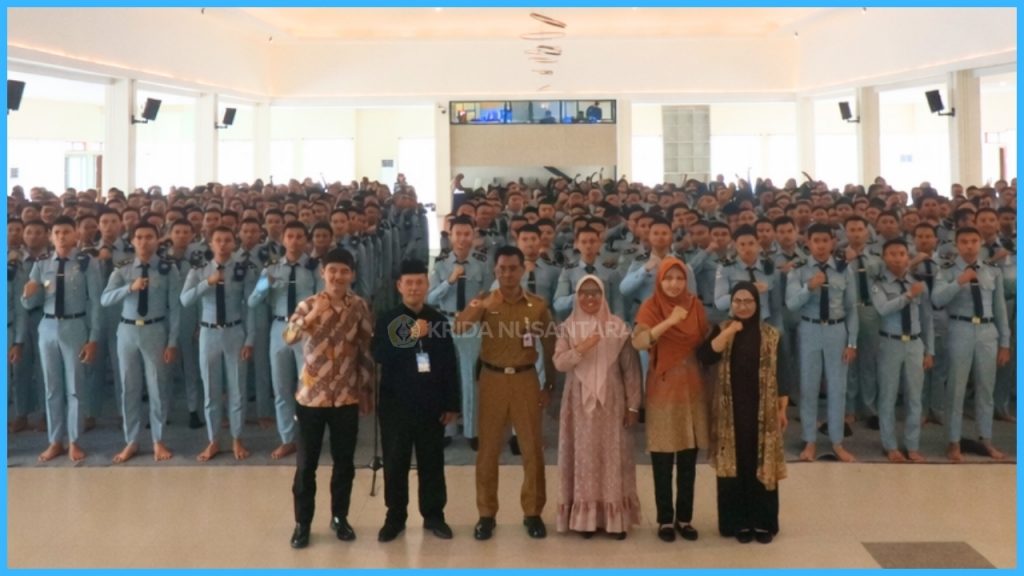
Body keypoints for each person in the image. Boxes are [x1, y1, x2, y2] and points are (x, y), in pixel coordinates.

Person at [454, 245, 557, 541]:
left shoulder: (537, 306)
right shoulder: (485, 301)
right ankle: (486, 515)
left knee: (532, 450)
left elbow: (549, 346)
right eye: (502, 269)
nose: (508, 274)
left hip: (526, 380)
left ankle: (533, 512)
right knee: (488, 451)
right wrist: (480, 305)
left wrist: (549, 385)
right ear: (495, 270)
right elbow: (460, 327)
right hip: (492, 380)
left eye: (513, 268)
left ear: (522, 270)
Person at [285, 248, 375, 549]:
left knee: (344, 463)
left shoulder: (359, 306)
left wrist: (366, 389)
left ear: (352, 275)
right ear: (322, 273)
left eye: (344, 271)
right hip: (311, 398)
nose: (338, 277)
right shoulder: (307, 304)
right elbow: (289, 337)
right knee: (306, 465)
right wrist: (313, 314)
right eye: (332, 270)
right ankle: (303, 523)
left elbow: (365, 348)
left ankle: (340, 517)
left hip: (346, 396)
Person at [372, 259, 460, 543]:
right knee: (395, 462)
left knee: (432, 462)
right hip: (395, 405)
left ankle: (434, 515)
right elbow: (380, 355)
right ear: (399, 286)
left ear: (427, 284)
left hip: (430, 405)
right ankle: (395, 517)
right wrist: (410, 336)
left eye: (419, 282)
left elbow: (448, 364)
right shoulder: (387, 319)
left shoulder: (438, 320)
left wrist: (451, 404)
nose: (414, 288)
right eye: (408, 283)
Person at [698, 281, 787, 544]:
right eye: (738, 301)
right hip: (730, 410)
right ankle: (735, 522)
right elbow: (705, 356)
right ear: (731, 304)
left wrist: (782, 408)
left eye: (748, 301)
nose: (743, 306)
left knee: (760, 461)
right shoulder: (722, 329)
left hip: (763, 409)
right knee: (734, 463)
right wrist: (728, 333)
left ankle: (762, 522)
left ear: (757, 304)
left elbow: (785, 372)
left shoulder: (771, 334)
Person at [553, 274, 642, 540]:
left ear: (603, 296)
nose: (590, 298)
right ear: (577, 296)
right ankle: (586, 520)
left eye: (595, 293)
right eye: (584, 293)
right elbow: (560, 363)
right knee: (584, 458)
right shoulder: (567, 327)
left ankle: (615, 520)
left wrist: (633, 406)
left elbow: (631, 370)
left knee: (612, 458)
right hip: (578, 404)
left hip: (612, 403)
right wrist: (582, 347)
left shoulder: (618, 327)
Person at [631, 257, 709, 543]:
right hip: (663, 388)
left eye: (679, 278)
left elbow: (705, 342)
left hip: (692, 387)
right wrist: (670, 321)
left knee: (688, 457)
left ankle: (684, 518)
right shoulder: (651, 306)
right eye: (669, 278)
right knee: (663, 458)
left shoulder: (695, 305)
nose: (674, 284)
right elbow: (639, 341)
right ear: (660, 280)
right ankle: (665, 519)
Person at [21, 216, 102, 462]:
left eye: (66, 232)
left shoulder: (86, 263)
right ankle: (55, 440)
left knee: (75, 387)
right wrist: (28, 295)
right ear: (51, 236)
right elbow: (29, 304)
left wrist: (93, 338)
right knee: (52, 387)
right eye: (56, 232)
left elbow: (96, 303)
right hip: (47, 326)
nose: (61, 237)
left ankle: (74, 440)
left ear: (76, 234)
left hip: (75, 325)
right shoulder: (42, 264)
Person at [100, 222, 182, 463]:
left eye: (149, 237)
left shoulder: (168, 269)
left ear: (157, 240)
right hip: (127, 330)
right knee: (129, 387)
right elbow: (105, 299)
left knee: (157, 386)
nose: (144, 242)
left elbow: (175, 308)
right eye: (139, 237)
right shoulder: (123, 269)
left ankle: (158, 439)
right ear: (133, 241)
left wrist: (172, 341)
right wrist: (129, 288)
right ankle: (131, 440)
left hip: (155, 329)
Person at [931, 227, 1011, 462]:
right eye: (964, 241)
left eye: (974, 241)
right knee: (956, 389)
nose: (969, 245)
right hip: (960, 328)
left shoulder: (992, 270)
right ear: (956, 244)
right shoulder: (946, 270)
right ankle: (953, 441)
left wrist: (1005, 343)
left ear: (981, 243)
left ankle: (985, 439)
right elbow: (937, 299)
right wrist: (959, 282)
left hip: (987, 331)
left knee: (986, 388)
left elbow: (1000, 310)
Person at [180, 225, 258, 462]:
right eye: (218, 240)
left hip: (235, 331)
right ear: (210, 243)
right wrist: (208, 283)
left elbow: (251, 306)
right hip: (208, 332)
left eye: (227, 240)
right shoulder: (199, 270)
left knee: (237, 389)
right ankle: (213, 439)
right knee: (211, 390)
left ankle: (237, 437)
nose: (223, 244)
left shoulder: (243, 270)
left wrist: (250, 339)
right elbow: (185, 300)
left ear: (234, 243)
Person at [247, 221, 322, 459]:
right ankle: (287, 438)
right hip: (279, 328)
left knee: (307, 386)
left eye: (300, 236)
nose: (295, 241)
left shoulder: (314, 267)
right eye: (290, 236)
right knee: (280, 386)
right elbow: (252, 301)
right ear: (283, 239)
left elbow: (322, 300)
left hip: (306, 329)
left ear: (306, 240)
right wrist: (265, 286)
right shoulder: (271, 269)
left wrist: (308, 321)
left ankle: (309, 437)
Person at [785, 223, 859, 463]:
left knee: (838, 387)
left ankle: (837, 442)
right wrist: (808, 287)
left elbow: (851, 308)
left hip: (837, 330)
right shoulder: (798, 269)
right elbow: (791, 304)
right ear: (808, 242)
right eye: (815, 241)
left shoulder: (844, 269)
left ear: (832, 242)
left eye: (825, 240)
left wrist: (852, 342)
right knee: (809, 386)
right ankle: (810, 440)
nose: (820, 245)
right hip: (810, 329)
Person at [870, 239, 934, 463]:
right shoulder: (879, 284)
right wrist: (907, 296)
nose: (897, 258)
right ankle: (890, 446)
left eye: (901, 254)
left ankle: (912, 445)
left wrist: (929, 350)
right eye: (892, 254)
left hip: (915, 344)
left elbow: (927, 319)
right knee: (888, 396)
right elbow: (883, 308)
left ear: (908, 256)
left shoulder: (918, 283)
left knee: (915, 397)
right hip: (890, 343)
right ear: (884, 258)